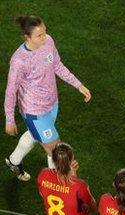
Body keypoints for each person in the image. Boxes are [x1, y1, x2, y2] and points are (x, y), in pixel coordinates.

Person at [4, 14, 91, 181]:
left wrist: (78, 85)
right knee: (57, 151)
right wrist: (9, 119)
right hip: (34, 111)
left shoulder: (48, 41)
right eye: (39, 35)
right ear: (26, 37)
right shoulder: (19, 61)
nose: (44, 38)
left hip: (52, 104)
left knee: (36, 135)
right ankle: (57, 186)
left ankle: (13, 161)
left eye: (45, 32)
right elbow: (10, 91)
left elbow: (57, 65)